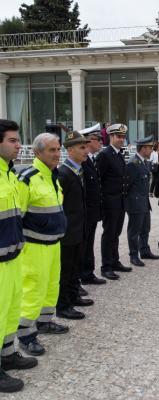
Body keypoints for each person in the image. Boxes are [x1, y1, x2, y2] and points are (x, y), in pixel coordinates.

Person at [17, 133, 68, 357]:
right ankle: (26, 336)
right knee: (32, 291)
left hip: (53, 244)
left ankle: (45, 321)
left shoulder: (52, 176)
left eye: (58, 149)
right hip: (34, 247)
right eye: (52, 150)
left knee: (51, 285)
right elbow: (17, 215)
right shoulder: (28, 178)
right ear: (37, 153)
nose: (57, 154)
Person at [0, 120, 37, 393]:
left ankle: (6, 354)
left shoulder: (10, 174)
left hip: (12, 257)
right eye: (12, 140)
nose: (19, 145)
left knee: (11, 312)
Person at [57, 131, 94, 320]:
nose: (86, 150)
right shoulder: (63, 173)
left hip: (78, 229)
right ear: (70, 150)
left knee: (75, 267)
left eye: (86, 146)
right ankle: (63, 305)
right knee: (66, 269)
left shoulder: (78, 170)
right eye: (82, 147)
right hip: (67, 232)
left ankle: (73, 296)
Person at [96, 123, 132, 280]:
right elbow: (99, 179)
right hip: (110, 201)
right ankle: (106, 266)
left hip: (120, 200)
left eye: (123, 137)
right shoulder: (105, 155)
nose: (121, 139)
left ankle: (115, 260)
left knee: (116, 233)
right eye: (118, 136)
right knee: (109, 233)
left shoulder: (118, 154)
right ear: (110, 137)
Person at [126, 135, 159, 266]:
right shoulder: (132, 164)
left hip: (144, 202)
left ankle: (144, 251)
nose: (151, 150)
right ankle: (133, 255)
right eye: (150, 148)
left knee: (145, 228)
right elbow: (126, 185)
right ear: (143, 148)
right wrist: (130, 203)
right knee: (134, 231)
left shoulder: (144, 162)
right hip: (135, 203)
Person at [79, 124, 106, 285]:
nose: (101, 142)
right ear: (88, 141)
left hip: (92, 212)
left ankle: (88, 273)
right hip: (85, 213)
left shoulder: (90, 160)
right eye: (98, 139)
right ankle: (81, 275)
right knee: (82, 245)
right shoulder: (82, 163)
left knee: (89, 244)